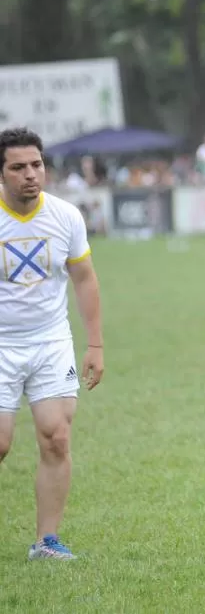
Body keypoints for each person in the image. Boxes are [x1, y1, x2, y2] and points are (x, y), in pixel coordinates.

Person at [0, 127, 105, 560]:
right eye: (18, 167)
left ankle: (46, 541)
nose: (31, 175)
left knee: (56, 438)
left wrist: (95, 345)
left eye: (37, 165)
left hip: (50, 342)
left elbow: (84, 278)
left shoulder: (65, 216)